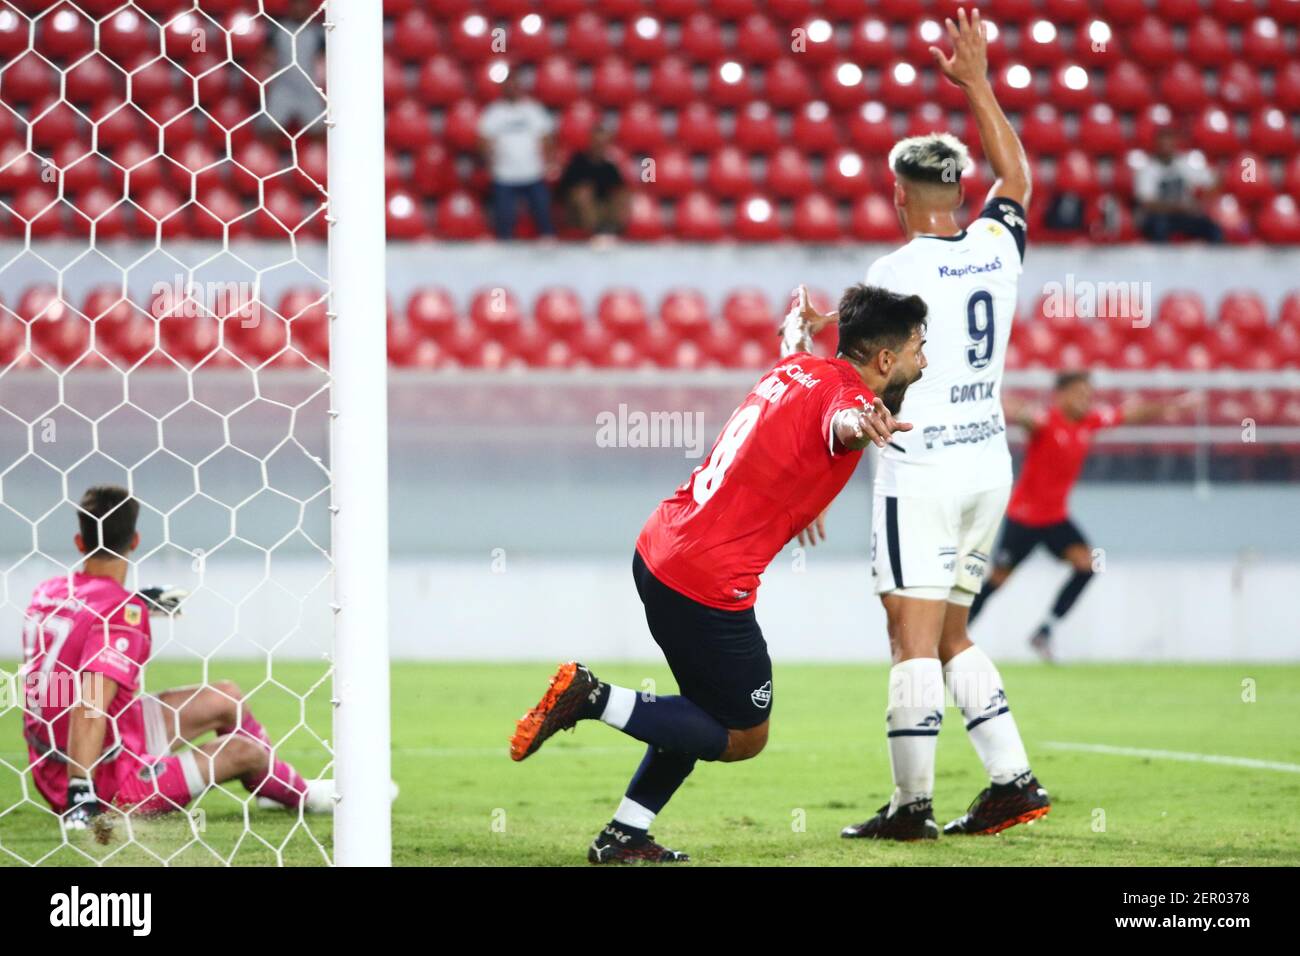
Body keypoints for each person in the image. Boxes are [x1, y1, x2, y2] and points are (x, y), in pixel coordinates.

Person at [508, 283, 928, 864]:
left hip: (661, 545)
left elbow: (802, 376)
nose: (923, 360)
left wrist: (806, 488)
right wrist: (863, 424)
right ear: (886, 360)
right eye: (918, 348)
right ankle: (590, 697)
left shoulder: (798, 367)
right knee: (743, 734)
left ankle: (625, 835)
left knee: (699, 710)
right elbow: (842, 422)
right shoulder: (850, 401)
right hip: (706, 580)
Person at [802, 8, 1048, 840]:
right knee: (950, 630)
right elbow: (1016, 179)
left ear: (898, 192)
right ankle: (1013, 780)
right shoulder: (997, 246)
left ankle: (911, 810)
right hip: (989, 466)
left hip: (926, 468)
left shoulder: (894, 272)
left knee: (908, 635)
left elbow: (868, 381)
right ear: (960, 191)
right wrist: (978, 82)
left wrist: (809, 338)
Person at [20, 485, 332, 832]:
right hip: (101, 779)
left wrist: (137, 601)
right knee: (248, 753)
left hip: (77, 747)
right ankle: (298, 793)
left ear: (80, 542)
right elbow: (89, 706)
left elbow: (83, 613)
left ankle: (271, 790)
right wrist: (81, 794)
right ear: (135, 541)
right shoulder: (119, 615)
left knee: (227, 696)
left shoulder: (47, 592)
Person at [970, 373, 1198, 660]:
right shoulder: (1046, 422)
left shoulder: (1090, 422)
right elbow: (1022, 414)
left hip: (1055, 519)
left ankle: (1045, 631)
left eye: (1088, 394)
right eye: (1079, 393)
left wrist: (1173, 406)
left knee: (1089, 565)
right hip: (1023, 519)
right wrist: (987, 396)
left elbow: (1130, 413)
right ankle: (956, 636)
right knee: (997, 581)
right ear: (1061, 395)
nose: (1085, 400)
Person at [476, 72, 556, 240]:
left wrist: (549, 160)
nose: (512, 88)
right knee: (504, 222)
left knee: (544, 218)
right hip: (504, 175)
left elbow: (547, 138)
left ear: (520, 87)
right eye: (508, 85)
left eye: (515, 85)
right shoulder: (494, 113)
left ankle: (550, 253)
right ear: (503, 88)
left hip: (533, 173)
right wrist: (489, 161)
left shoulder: (533, 110)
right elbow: (483, 141)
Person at [1133, 128, 1222, 243]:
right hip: (1158, 217)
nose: (1166, 147)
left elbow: (1214, 179)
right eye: (1163, 144)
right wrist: (1178, 207)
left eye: (1169, 143)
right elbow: (1147, 203)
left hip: (1184, 216)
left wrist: (1202, 201)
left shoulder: (1184, 163)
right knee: (1159, 228)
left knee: (1213, 230)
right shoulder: (1147, 169)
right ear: (1156, 145)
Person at [556, 126, 628, 238]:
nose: (600, 146)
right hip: (577, 211)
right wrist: (580, 190)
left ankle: (613, 232)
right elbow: (562, 190)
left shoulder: (609, 167)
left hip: (602, 209)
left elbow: (621, 188)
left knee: (623, 196)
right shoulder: (577, 162)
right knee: (584, 194)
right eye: (597, 142)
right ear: (591, 142)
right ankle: (596, 234)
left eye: (603, 143)